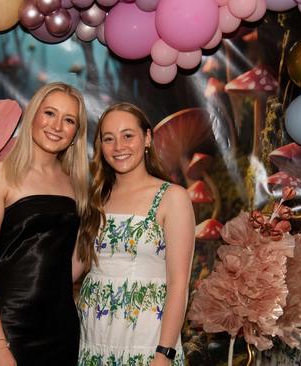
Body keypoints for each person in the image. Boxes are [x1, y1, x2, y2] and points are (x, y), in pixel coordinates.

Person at [0, 82, 89, 365]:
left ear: (76, 134)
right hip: (11, 326)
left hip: (62, 328)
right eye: (50, 113)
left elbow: (70, 267)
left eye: (69, 120)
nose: (57, 126)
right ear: (34, 115)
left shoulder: (77, 185)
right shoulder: (1, 174)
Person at [75, 102, 195, 365]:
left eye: (128, 136)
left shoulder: (172, 198)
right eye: (109, 138)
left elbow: (178, 284)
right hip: (94, 339)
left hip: (147, 342)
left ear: (147, 138)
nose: (118, 146)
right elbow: (73, 267)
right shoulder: (95, 199)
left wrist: (164, 354)